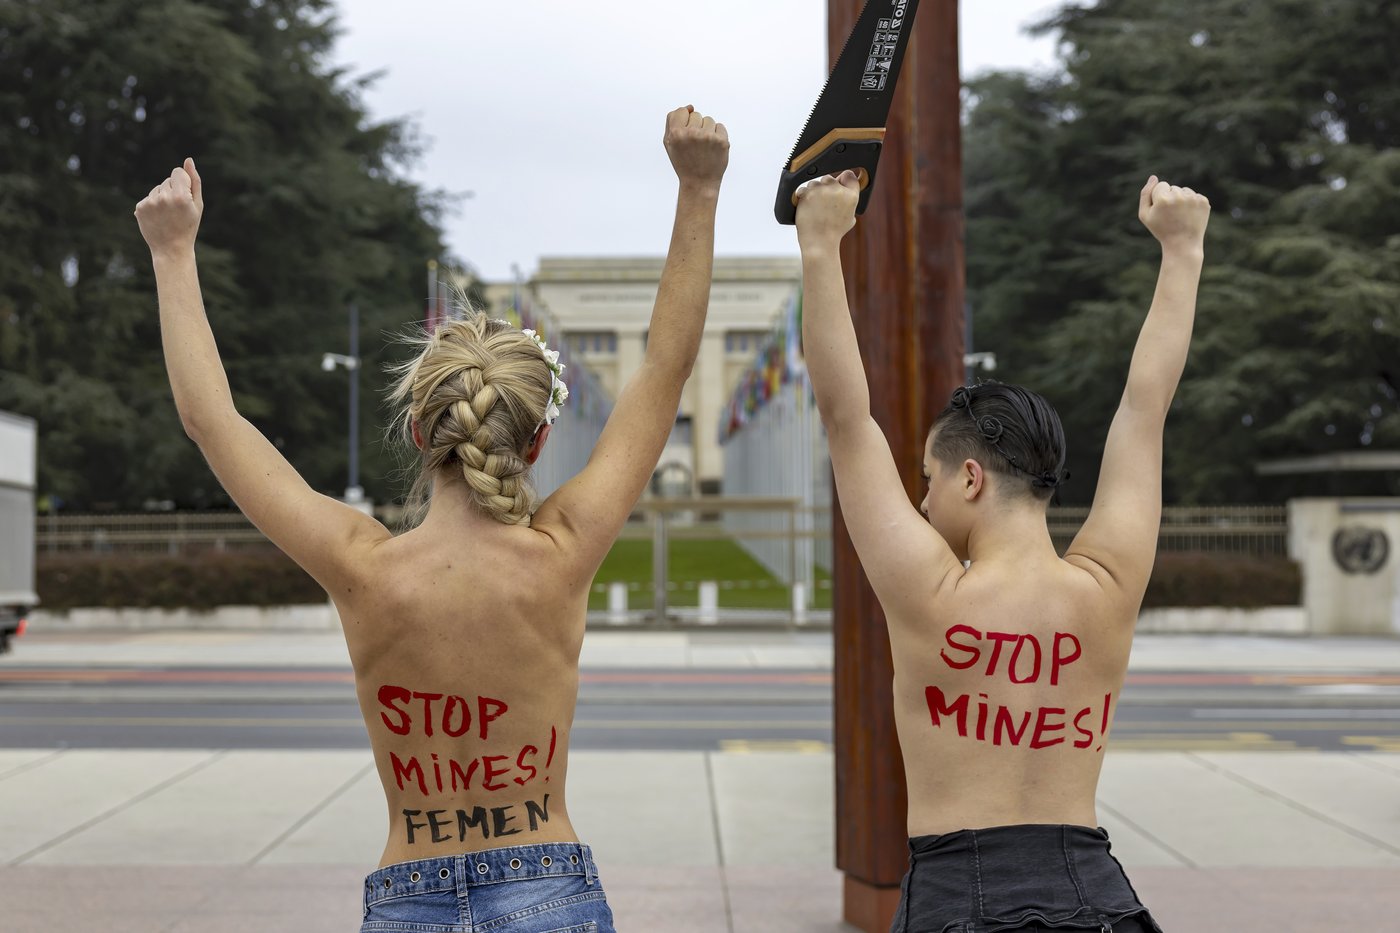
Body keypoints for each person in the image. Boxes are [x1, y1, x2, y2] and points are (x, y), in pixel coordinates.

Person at [134, 104, 729, 933]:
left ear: (419, 432)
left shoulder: (363, 565)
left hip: (409, 893)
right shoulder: (560, 553)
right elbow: (665, 370)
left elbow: (212, 421)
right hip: (546, 887)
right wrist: (699, 190)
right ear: (540, 436)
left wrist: (171, 252)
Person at [795, 169, 1209, 933]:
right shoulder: (1106, 586)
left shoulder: (932, 593)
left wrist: (820, 243)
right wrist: (1183, 249)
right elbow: (1145, 408)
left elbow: (845, 416)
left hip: (960, 893)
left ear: (972, 476)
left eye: (929, 477)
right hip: (1097, 893)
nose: (921, 500)